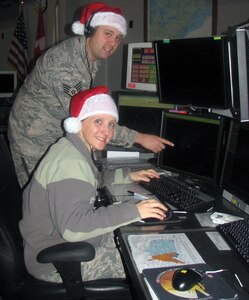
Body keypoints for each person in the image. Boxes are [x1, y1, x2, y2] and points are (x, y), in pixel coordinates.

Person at [8, 1, 174, 188]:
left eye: (118, 37)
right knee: (40, 196)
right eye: (108, 34)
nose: (112, 43)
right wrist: (141, 138)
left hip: (54, 133)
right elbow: (85, 116)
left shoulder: (88, 57)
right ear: (89, 31)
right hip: (32, 138)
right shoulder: (66, 63)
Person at [19, 86, 168, 282]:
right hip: (56, 261)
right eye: (98, 121)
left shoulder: (72, 147)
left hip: (63, 243)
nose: (106, 131)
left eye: (111, 124)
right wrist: (134, 211)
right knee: (153, 260)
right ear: (79, 122)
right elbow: (73, 228)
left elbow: (93, 179)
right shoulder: (69, 162)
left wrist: (128, 175)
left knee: (145, 239)